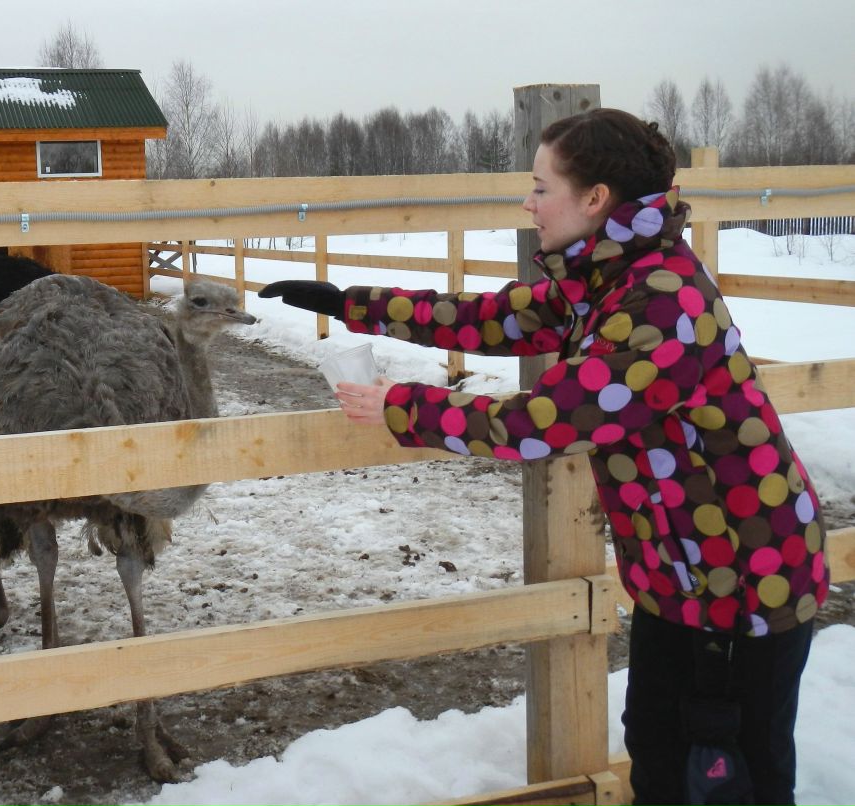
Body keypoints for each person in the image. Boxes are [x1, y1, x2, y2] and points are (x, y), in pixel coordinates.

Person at [259, 108, 827, 806]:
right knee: (660, 750)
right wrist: (352, 305)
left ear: (594, 199)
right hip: (683, 574)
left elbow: (548, 420)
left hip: (741, 580)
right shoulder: (608, 276)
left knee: (724, 773)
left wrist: (403, 406)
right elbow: (496, 318)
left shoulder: (658, 301)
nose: (526, 204)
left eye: (539, 186)